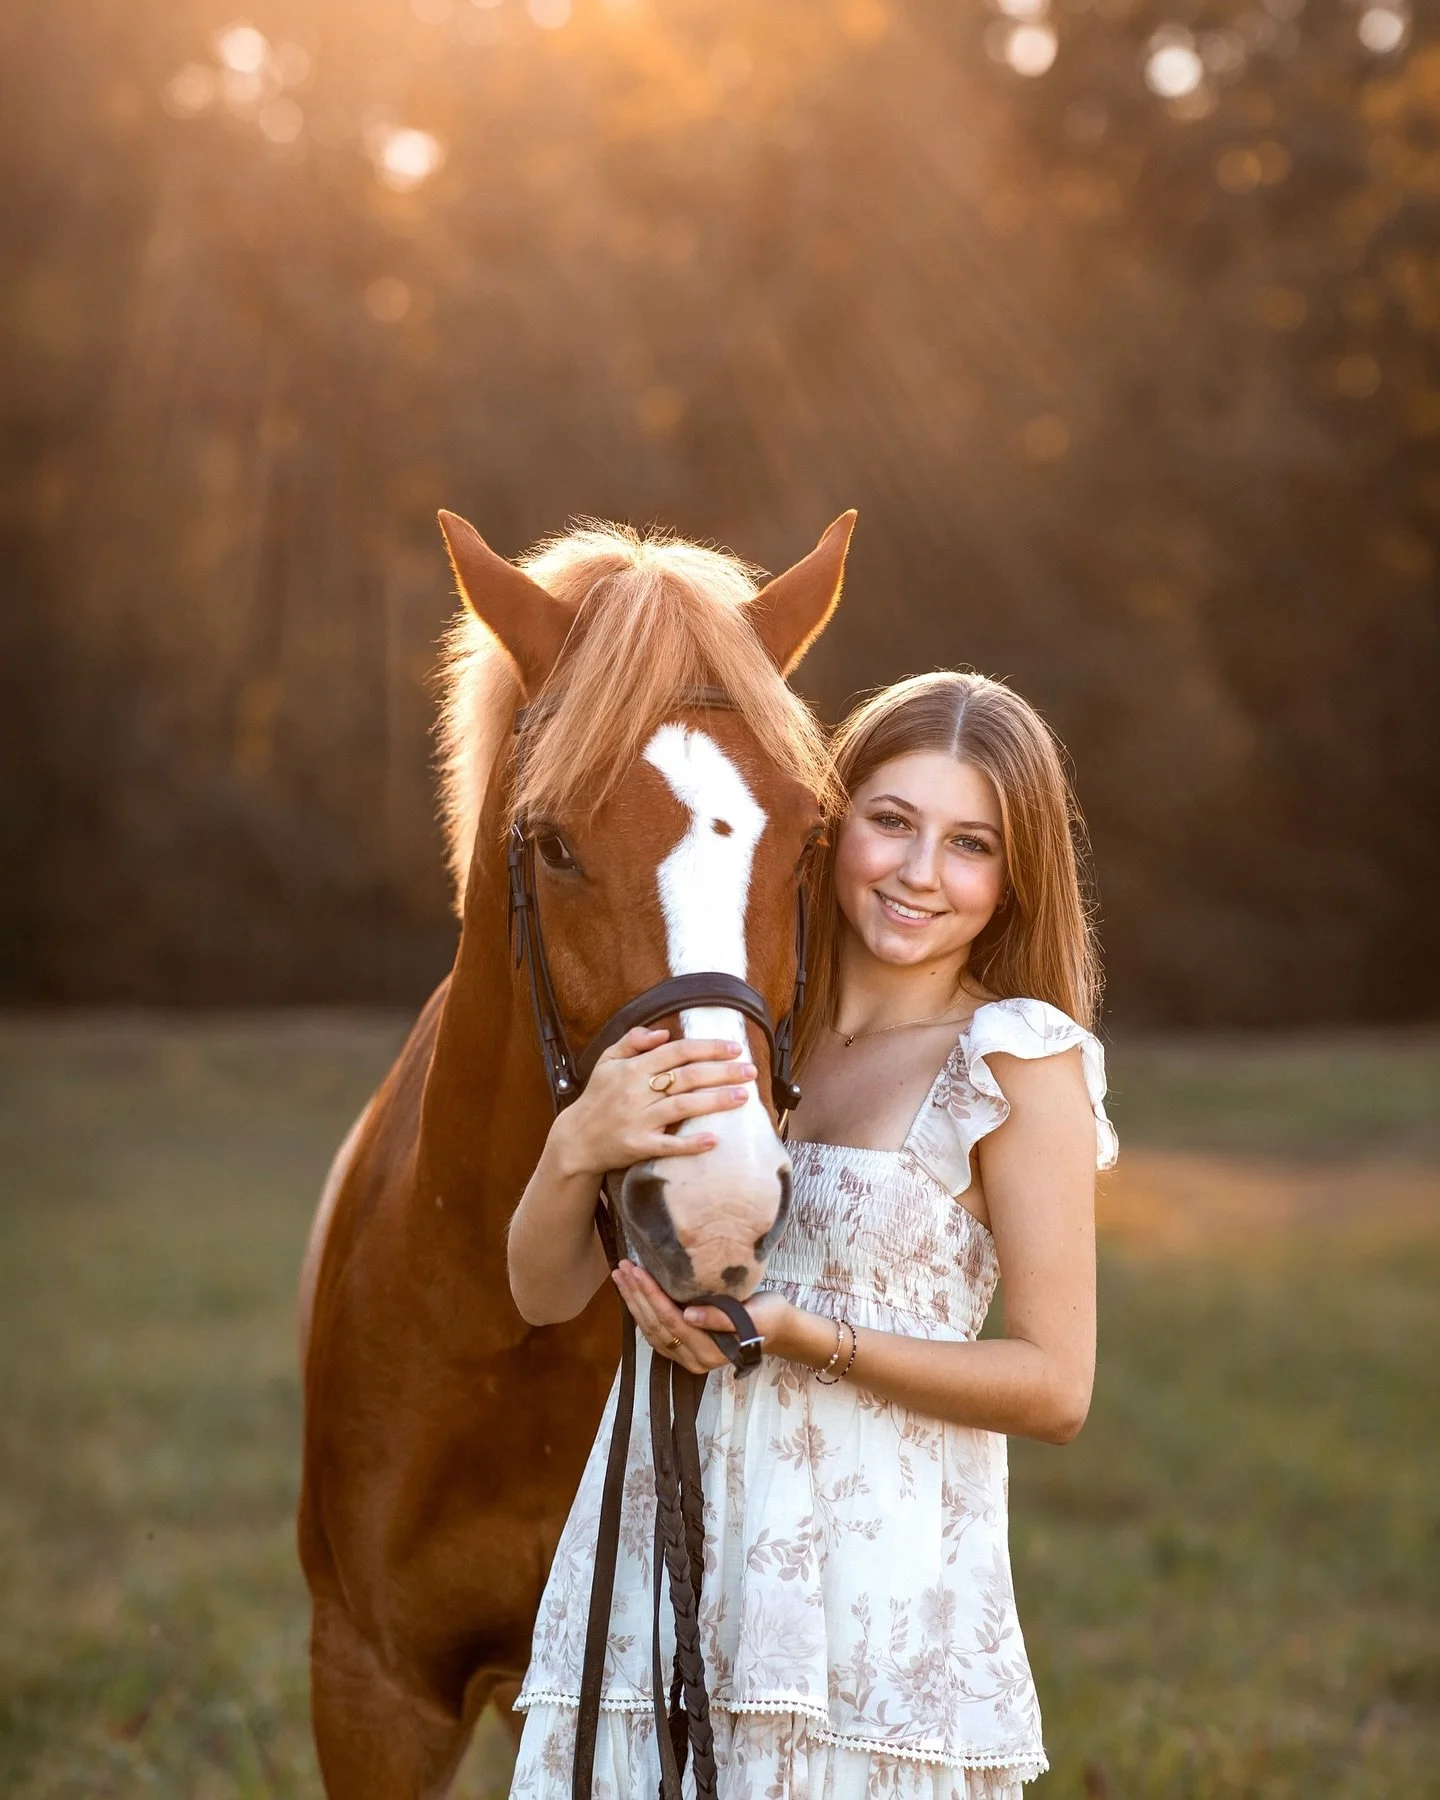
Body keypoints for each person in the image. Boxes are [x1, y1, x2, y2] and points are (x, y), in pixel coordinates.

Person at [505, 670, 1118, 1799]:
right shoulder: (742, 1032)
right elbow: (547, 1296)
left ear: (1014, 874)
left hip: (865, 1593)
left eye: (970, 843)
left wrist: (801, 1334)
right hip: (662, 1547)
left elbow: (1056, 1385)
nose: (919, 874)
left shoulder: (1012, 1062)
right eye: (891, 823)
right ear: (832, 831)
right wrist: (574, 1146)